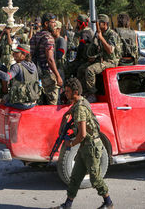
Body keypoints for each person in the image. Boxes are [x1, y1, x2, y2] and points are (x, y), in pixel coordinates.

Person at [53, 78, 113, 209]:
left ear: (75, 92)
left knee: (95, 179)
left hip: (91, 147)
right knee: (75, 176)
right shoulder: (81, 101)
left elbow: (82, 134)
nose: (66, 94)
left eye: (68, 92)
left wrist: (71, 144)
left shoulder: (80, 108)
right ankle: (67, 205)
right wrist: (66, 115)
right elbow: (72, 110)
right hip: (85, 147)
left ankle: (108, 203)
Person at [77, 14, 121, 101]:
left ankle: (92, 94)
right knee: (81, 69)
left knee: (90, 70)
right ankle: (84, 91)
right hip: (101, 59)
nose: (97, 26)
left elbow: (110, 51)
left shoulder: (112, 34)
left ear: (105, 24)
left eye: (99, 24)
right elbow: (94, 49)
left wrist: (101, 38)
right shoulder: (99, 33)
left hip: (110, 61)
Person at [0, 44, 39, 110]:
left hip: (21, 104)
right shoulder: (33, 65)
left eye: (16, 53)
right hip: (33, 102)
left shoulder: (17, 67)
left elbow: (6, 77)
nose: (13, 54)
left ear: (24, 55)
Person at [30, 13, 63, 105]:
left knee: (39, 103)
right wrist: (58, 76)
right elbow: (50, 59)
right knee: (52, 102)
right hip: (47, 74)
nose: (54, 24)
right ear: (46, 23)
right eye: (53, 22)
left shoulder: (34, 37)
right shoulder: (49, 38)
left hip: (35, 74)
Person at [65, 14, 94, 79]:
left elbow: (81, 47)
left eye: (78, 23)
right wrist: (74, 49)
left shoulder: (85, 33)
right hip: (87, 58)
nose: (77, 25)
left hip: (85, 59)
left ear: (81, 23)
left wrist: (76, 59)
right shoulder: (90, 30)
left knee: (70, 68)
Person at [53, 21, 67, 89]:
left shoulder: (61, 40)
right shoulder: (53, 40)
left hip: (60, 67)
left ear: (59, 29)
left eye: (54, 29)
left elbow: (60, 55)